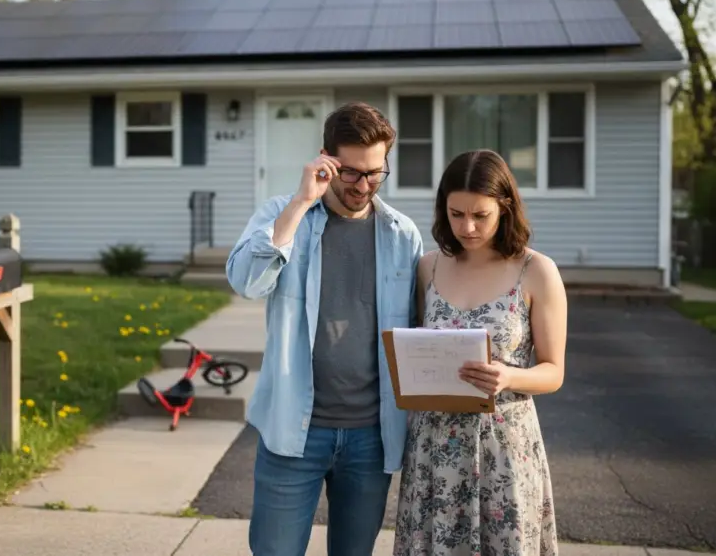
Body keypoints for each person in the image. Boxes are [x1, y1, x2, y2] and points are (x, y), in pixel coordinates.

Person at [226, 102, 424, 556]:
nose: (363, 185)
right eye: (351, 173)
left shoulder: (401, 234)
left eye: (375, 173)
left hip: (371, 436)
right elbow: (247, 283)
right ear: (325, 160)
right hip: (293, 430)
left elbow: (417, 327)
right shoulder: (282, 214)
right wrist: (300, 203)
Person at [393, 149, 568, 556]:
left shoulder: (537, 271)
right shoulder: (429, 268)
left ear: (504, 208)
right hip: (434, 449)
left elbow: (554, 371)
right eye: (456, 214)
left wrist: (509, 376)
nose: (467, 227)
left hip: (503, 448)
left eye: (480, 215)